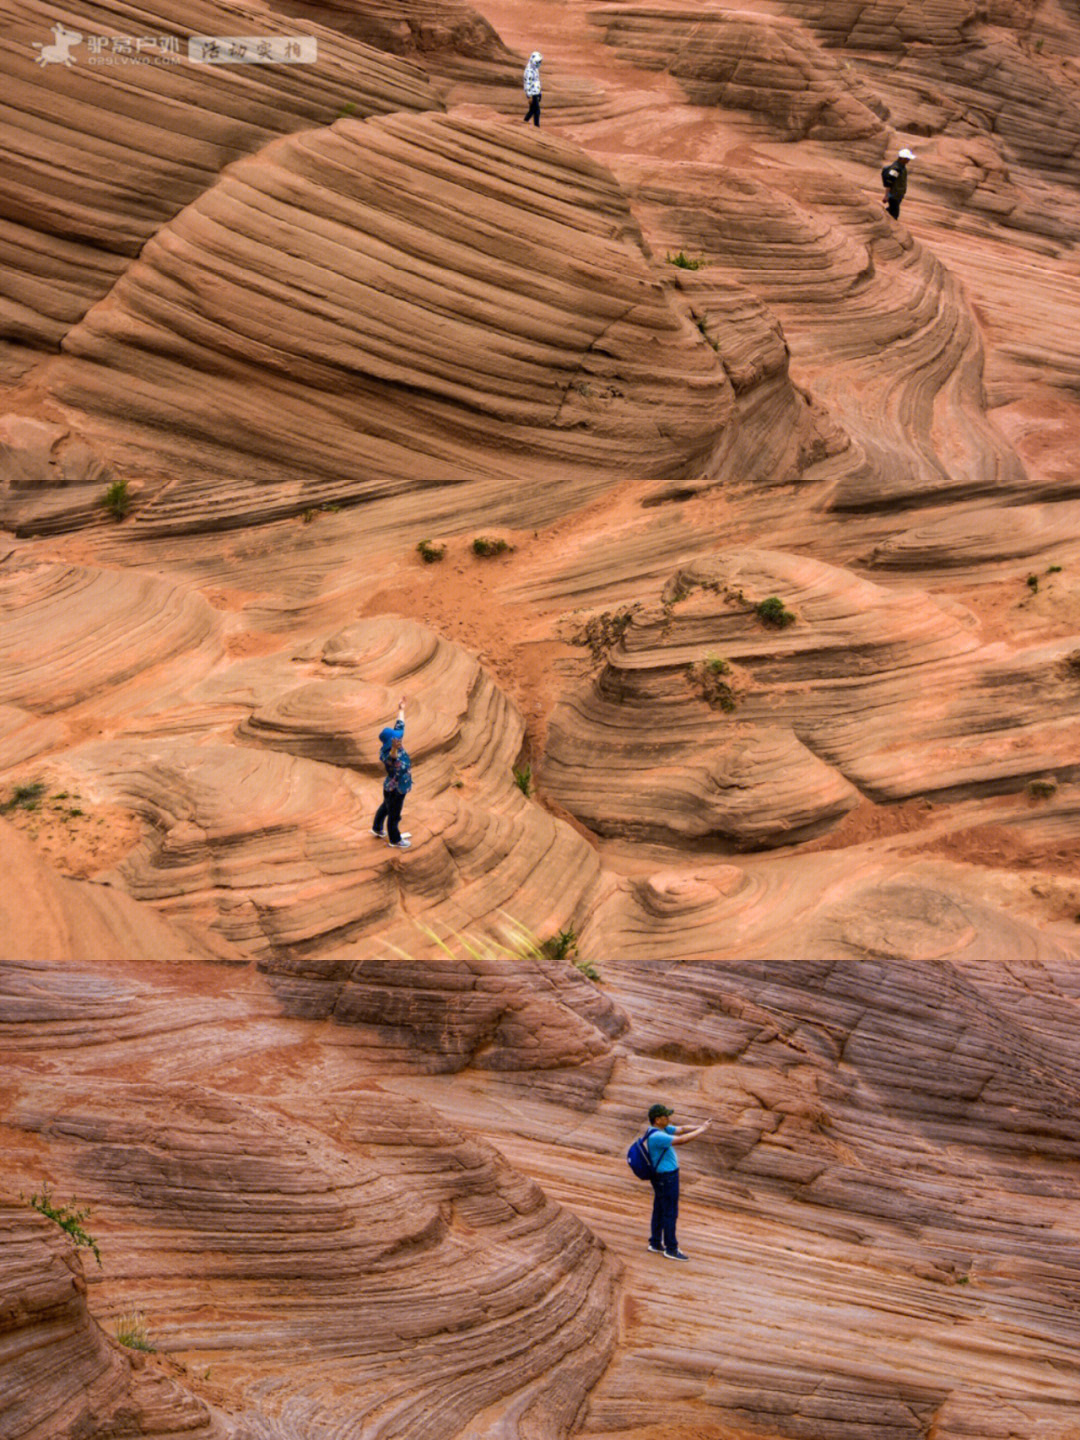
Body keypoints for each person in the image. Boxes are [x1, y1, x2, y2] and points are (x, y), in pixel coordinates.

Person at [644, 1103, 710, 1261]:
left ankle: (655, 1243)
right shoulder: (657, 1136)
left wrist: (700, 1126)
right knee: (670, 1212)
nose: (669, 1118)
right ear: (658, 1119)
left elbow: (681, 1129)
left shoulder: (658, 1129)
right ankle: (671, 1248)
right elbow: (681, 1140)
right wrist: (702, 1131)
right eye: (666, 1116)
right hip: (667, 1178)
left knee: (660, 1209)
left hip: (662, 1177)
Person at [371, 696, 413, 849]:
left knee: (385, 807)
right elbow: (392, 758)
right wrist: (394, 748)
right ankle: (395, 840)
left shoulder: (396, 739)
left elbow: (400, 724)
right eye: (395, 741)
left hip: (392, 787)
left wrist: (401, 709)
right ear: (390, 743)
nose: (399, 740)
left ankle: (376, 828)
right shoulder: (386, 753)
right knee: (394, 814)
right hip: (396, 789)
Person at [881, 148, 915, 220]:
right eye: (908, 158)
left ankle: (880, 216)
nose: (909, 160)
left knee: (891, 211)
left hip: (897, 195)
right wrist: (886, 196)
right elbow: (889, 182)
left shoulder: (902, 167)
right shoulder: (896, 168)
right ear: (902, 158)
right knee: (894, 214)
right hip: (894, 195)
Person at [523, 51, 542, 127]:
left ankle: (525, 122)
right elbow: (528, 84)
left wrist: (539, 93)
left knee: (532, 110)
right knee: (537, 111)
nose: (539, 63)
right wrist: (529, 96)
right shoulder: (529, 71)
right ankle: (536, 127)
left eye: (540, 62)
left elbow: (536, 81)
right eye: (538, 62)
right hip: (532, 93)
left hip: (535, 92)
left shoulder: (534, 69)